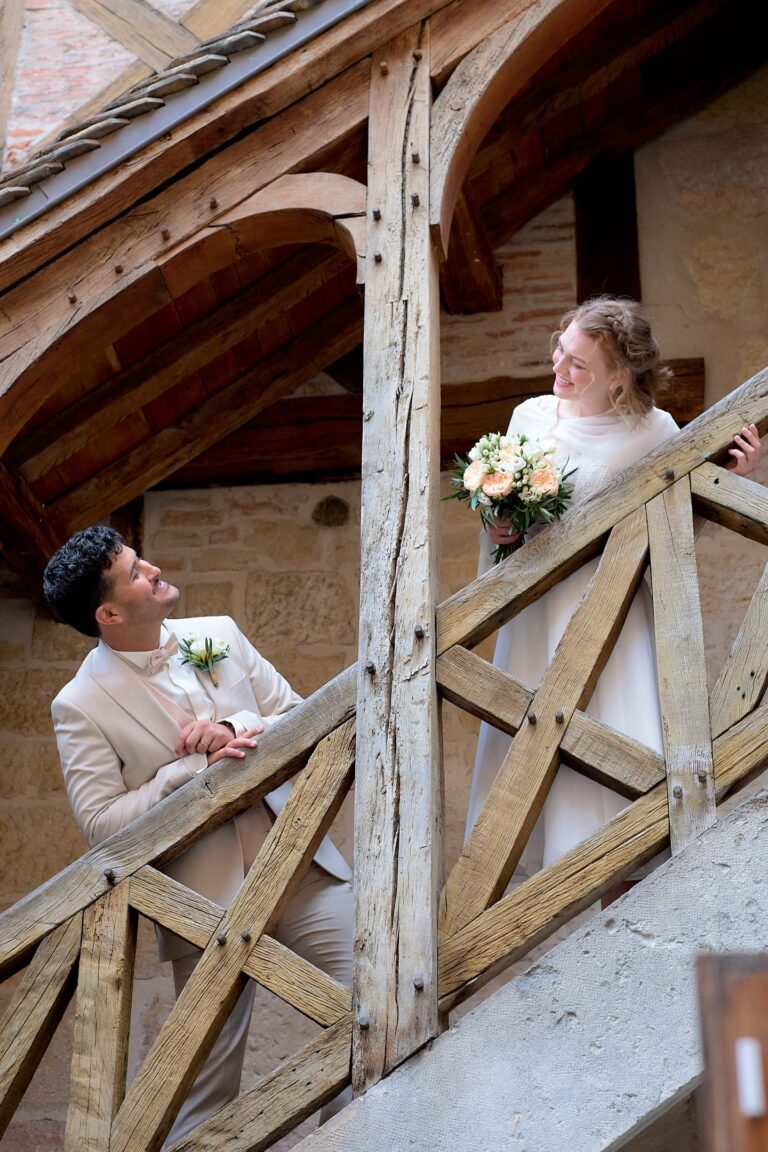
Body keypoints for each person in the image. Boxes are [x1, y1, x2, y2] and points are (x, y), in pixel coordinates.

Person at [42, 526, 353, 1145]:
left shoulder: (221, 634)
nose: (153, 569)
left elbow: (298, 714)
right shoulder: (79, 704)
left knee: (377, 1001)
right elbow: (103, 826)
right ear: (108, 613)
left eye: (140, 559)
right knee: (207, 1091)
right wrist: (188, 772)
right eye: (135, 572)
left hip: (302, 868)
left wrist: (236, 723)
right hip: (202, 909)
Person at [465, 296, 762, 889]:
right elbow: (503, 523)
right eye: (560, 348)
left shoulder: (655, 432)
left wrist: (734, 480)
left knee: (617, 775)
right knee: (536, 768)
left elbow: (675, 530)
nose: (559, 367)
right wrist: (497, 522)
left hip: (616, 619)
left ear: (619, 375)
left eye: (578, 363)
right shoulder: (528, 418)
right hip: (537, 615)